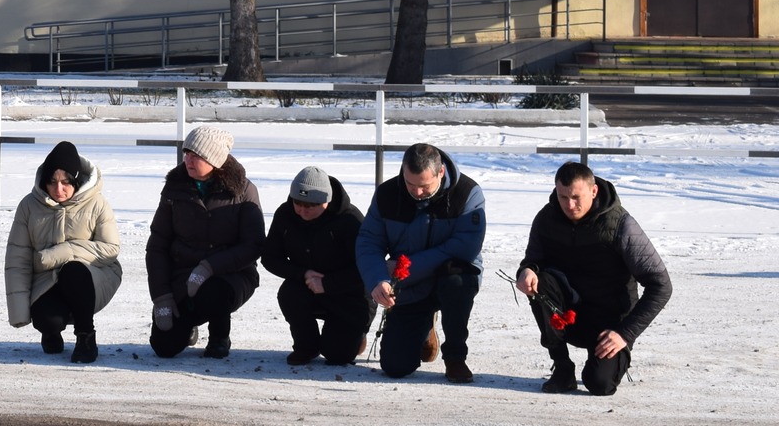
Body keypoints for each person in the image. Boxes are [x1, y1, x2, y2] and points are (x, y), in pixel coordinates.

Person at [515, 162, 672, 396]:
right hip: (569, 315)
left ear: (594, 191)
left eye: (576, 197)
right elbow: (532, 261)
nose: (569, 205)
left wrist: (625, 334)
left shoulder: (621, 225)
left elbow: (661, 285)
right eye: (563, 197)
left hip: (610, 322)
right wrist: (526, 271)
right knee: (540, 282)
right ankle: (562, 367)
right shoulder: (546, 218)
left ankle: (611, 361)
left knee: (600, 384)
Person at [357, 142, 486, 383]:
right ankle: (425, 329)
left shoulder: (467, 193)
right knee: (395, 366)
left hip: (450, 279)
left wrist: (406, 267)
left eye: (424, 186)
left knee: (457, 280)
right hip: (409, 286)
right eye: (410, 184)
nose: (416, 192)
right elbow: (369, 242)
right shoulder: (387, 194)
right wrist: (378, 280)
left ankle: (455, 357)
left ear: (441, 172)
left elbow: (465, 248)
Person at [146, 126, 264, 360]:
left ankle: (219, 336)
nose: (188, 160)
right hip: (182, 273)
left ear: (215, 159)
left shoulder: (243, 191)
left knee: (214, 291)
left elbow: (253, 245)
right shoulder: (174, 188)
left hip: (230, 274)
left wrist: (209, 267)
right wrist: (161, 296)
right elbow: (158, 244)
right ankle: (189, 325)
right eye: (187, 153)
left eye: (196, 155)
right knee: (164, 347)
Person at [5, 141, 123, 363]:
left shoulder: (97, 203)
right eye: (52, 182)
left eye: (66, 182)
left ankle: (85, 336)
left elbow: (110, 249)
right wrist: (19, 312)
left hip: (92, 276)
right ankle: (51, 332)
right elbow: (17, 260)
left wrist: (64, 251)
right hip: (46, 280)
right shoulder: (29, 207)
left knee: (73, 270)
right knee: (47, 320)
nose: (58, 190)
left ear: (76, 181)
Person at [261, 165, 374, 367]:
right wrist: (302, 274)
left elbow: (366, 267)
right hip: (307, 287)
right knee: (289, 293)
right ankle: (306, 346)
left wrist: (328, 284)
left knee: (337, 356)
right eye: (297, 203)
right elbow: (270, 257)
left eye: (310, 205)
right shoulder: (285, 214)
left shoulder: (350, 220)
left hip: (349, 294)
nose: (302, 210)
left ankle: (354, 337)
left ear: (326, 201)